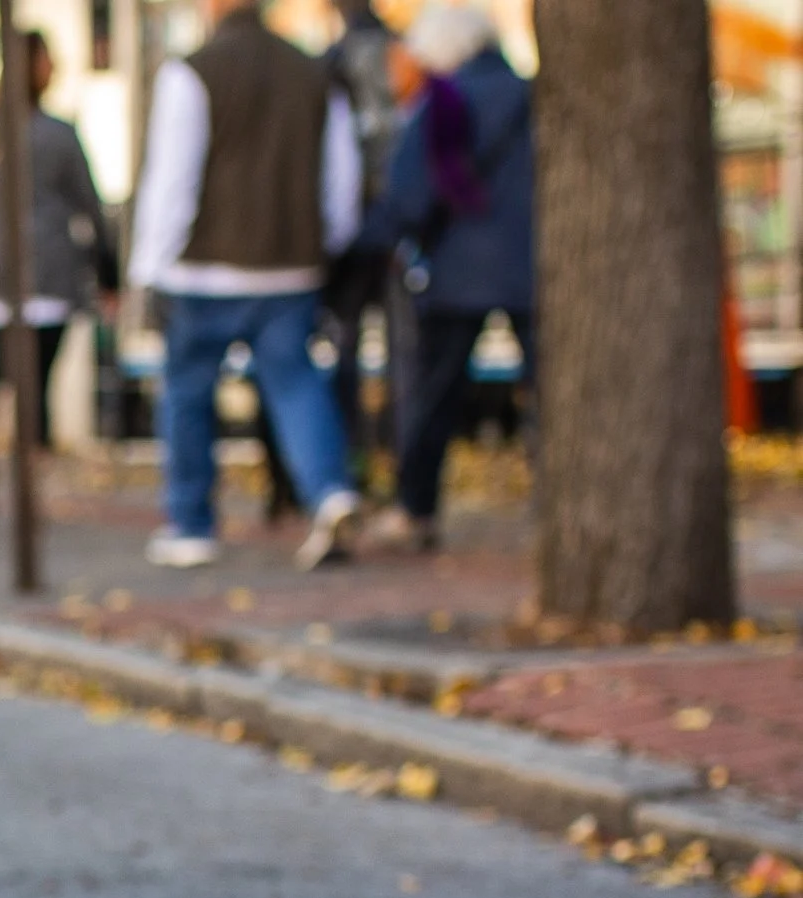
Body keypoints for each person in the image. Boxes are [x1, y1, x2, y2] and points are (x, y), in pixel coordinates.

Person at [131, 0, 364, 571]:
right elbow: (342, 178)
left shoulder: (192, 72)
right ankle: (328, 489)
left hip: (203, 267)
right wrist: (324, 241)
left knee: (188, 392)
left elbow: (172, 179)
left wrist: (149, 268)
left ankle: (191, 522)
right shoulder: (313, 74)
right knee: (294, 382)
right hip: (290, 265)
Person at [361, 3, 532, 553]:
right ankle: (565, 502)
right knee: (551, 391)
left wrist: (371, 240)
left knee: (434, 396)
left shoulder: (446, 101)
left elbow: (413, 193)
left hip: (461, 268)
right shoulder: (532, 95)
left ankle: (416, 508)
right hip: (533, 264)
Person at [0, 29, 117, 519]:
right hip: (45, 273)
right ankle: (31, 487)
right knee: (36, 385)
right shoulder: (57, 134)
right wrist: (108, 273)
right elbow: (90, 208)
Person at [324, 0, 405, 493]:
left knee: (345, 346)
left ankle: (350, 462)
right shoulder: (402, 53)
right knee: (401, 351)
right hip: (398, 222)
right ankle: (394, 461)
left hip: (352, 225)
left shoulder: (333, 61)